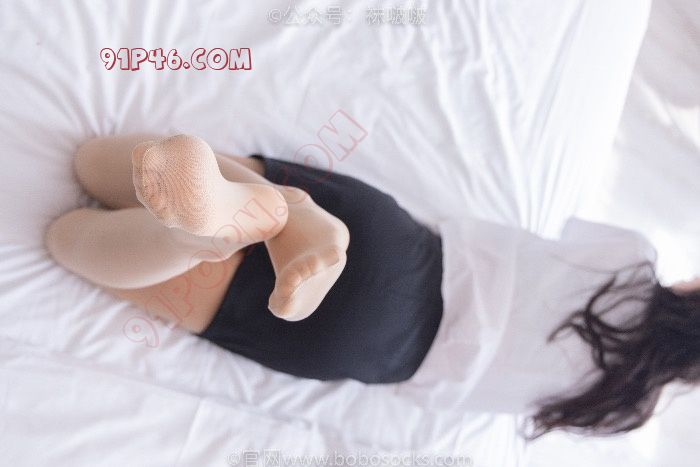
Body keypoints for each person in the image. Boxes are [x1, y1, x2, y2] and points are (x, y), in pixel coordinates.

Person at [45, 134, 700, 439]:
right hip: (365, 342)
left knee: (97, 162)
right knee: (69, 239)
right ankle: (198, 241)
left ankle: (265, 211)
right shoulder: (614, 408)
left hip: (388, 244)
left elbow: (546, 242)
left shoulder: (632, 259)